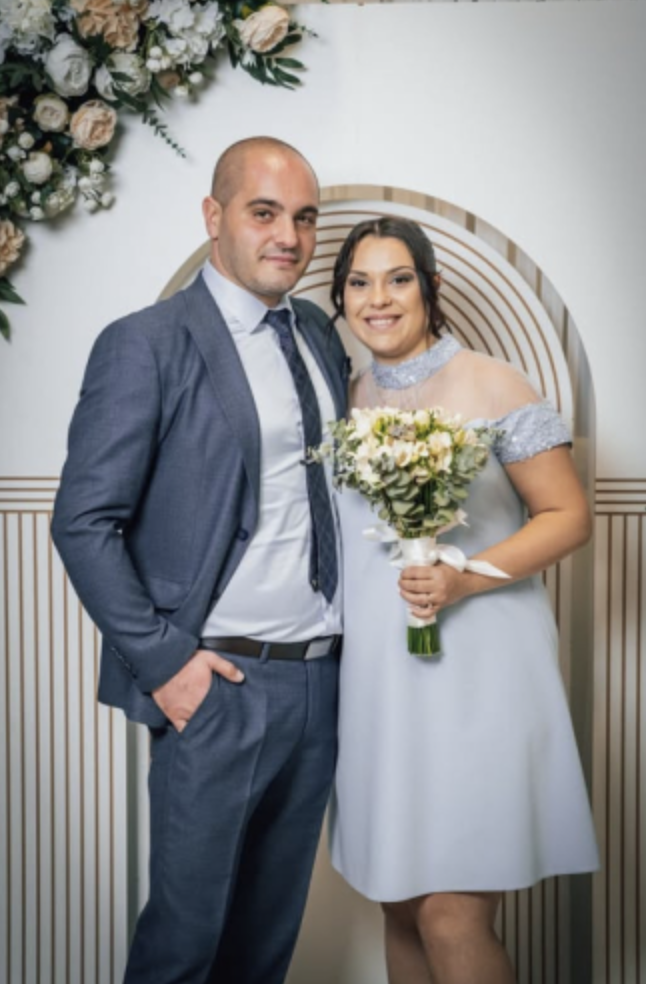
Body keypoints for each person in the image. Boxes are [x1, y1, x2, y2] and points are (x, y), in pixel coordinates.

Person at [51, 136, 349, 984]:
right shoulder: (146, 342)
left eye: (304, 218)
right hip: (218, 684)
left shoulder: (317, 333)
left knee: (263, 948)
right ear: (214, 217)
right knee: (184, 949)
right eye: (264, 212)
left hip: (321, 682)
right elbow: (83, 520)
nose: (289, 236)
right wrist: (167, 665)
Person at [327, 216, 599, 984]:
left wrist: (464, 577)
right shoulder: (345, 397)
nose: (379, 299)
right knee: (400, 902)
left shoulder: (494, 383)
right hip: (381, 682)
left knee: (453, 912)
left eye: (398, 279)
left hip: (479, 672)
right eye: (359, 283)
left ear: (431, 287)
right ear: (342, 298)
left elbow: (568, 517)